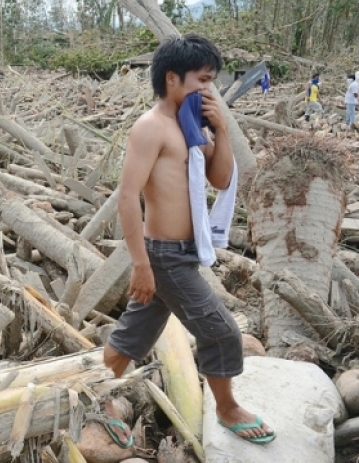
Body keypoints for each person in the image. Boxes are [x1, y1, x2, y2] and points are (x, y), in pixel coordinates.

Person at [103, 34, 276, 446]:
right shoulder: (150, 128)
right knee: (221, 332)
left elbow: (219, 178)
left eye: (211, 81)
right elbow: (128, 197)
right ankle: (227, 407)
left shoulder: (191, 124)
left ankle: (97, 396)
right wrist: (142, 264)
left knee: (132, 337)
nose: (208, 89)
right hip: (163, 257)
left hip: (183, 252)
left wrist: (220, 126)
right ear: (172, 79)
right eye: (202, 80)